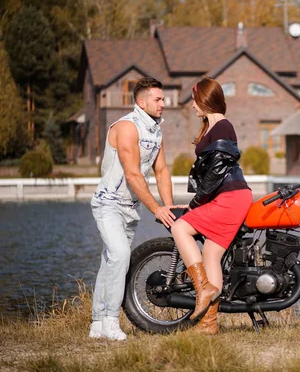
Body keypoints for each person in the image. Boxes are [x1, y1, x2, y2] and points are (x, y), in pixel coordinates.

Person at [89, 77, 177, 340]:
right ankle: (111, 320)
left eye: (163, 99)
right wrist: (156, 210)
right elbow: (133, 175)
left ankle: (97, 323)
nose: (164, 103)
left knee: (111, 261)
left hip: (130, 208)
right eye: (158, 99)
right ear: (142, 101)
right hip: (108, 203)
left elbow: (161, 171)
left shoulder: (156, 130)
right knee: (119, 255)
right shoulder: (127, 127)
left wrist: (169, 207)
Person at [171, 76, 252, 335]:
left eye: (194, 101)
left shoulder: (222, 128)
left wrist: (195, 203)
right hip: (232, 196)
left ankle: (203, 287)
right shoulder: (215, 127)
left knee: (180, 228)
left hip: (230, 197)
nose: (192, 106)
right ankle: (209, 324)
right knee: (211, 255)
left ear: (204, 100)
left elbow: (215, 172)